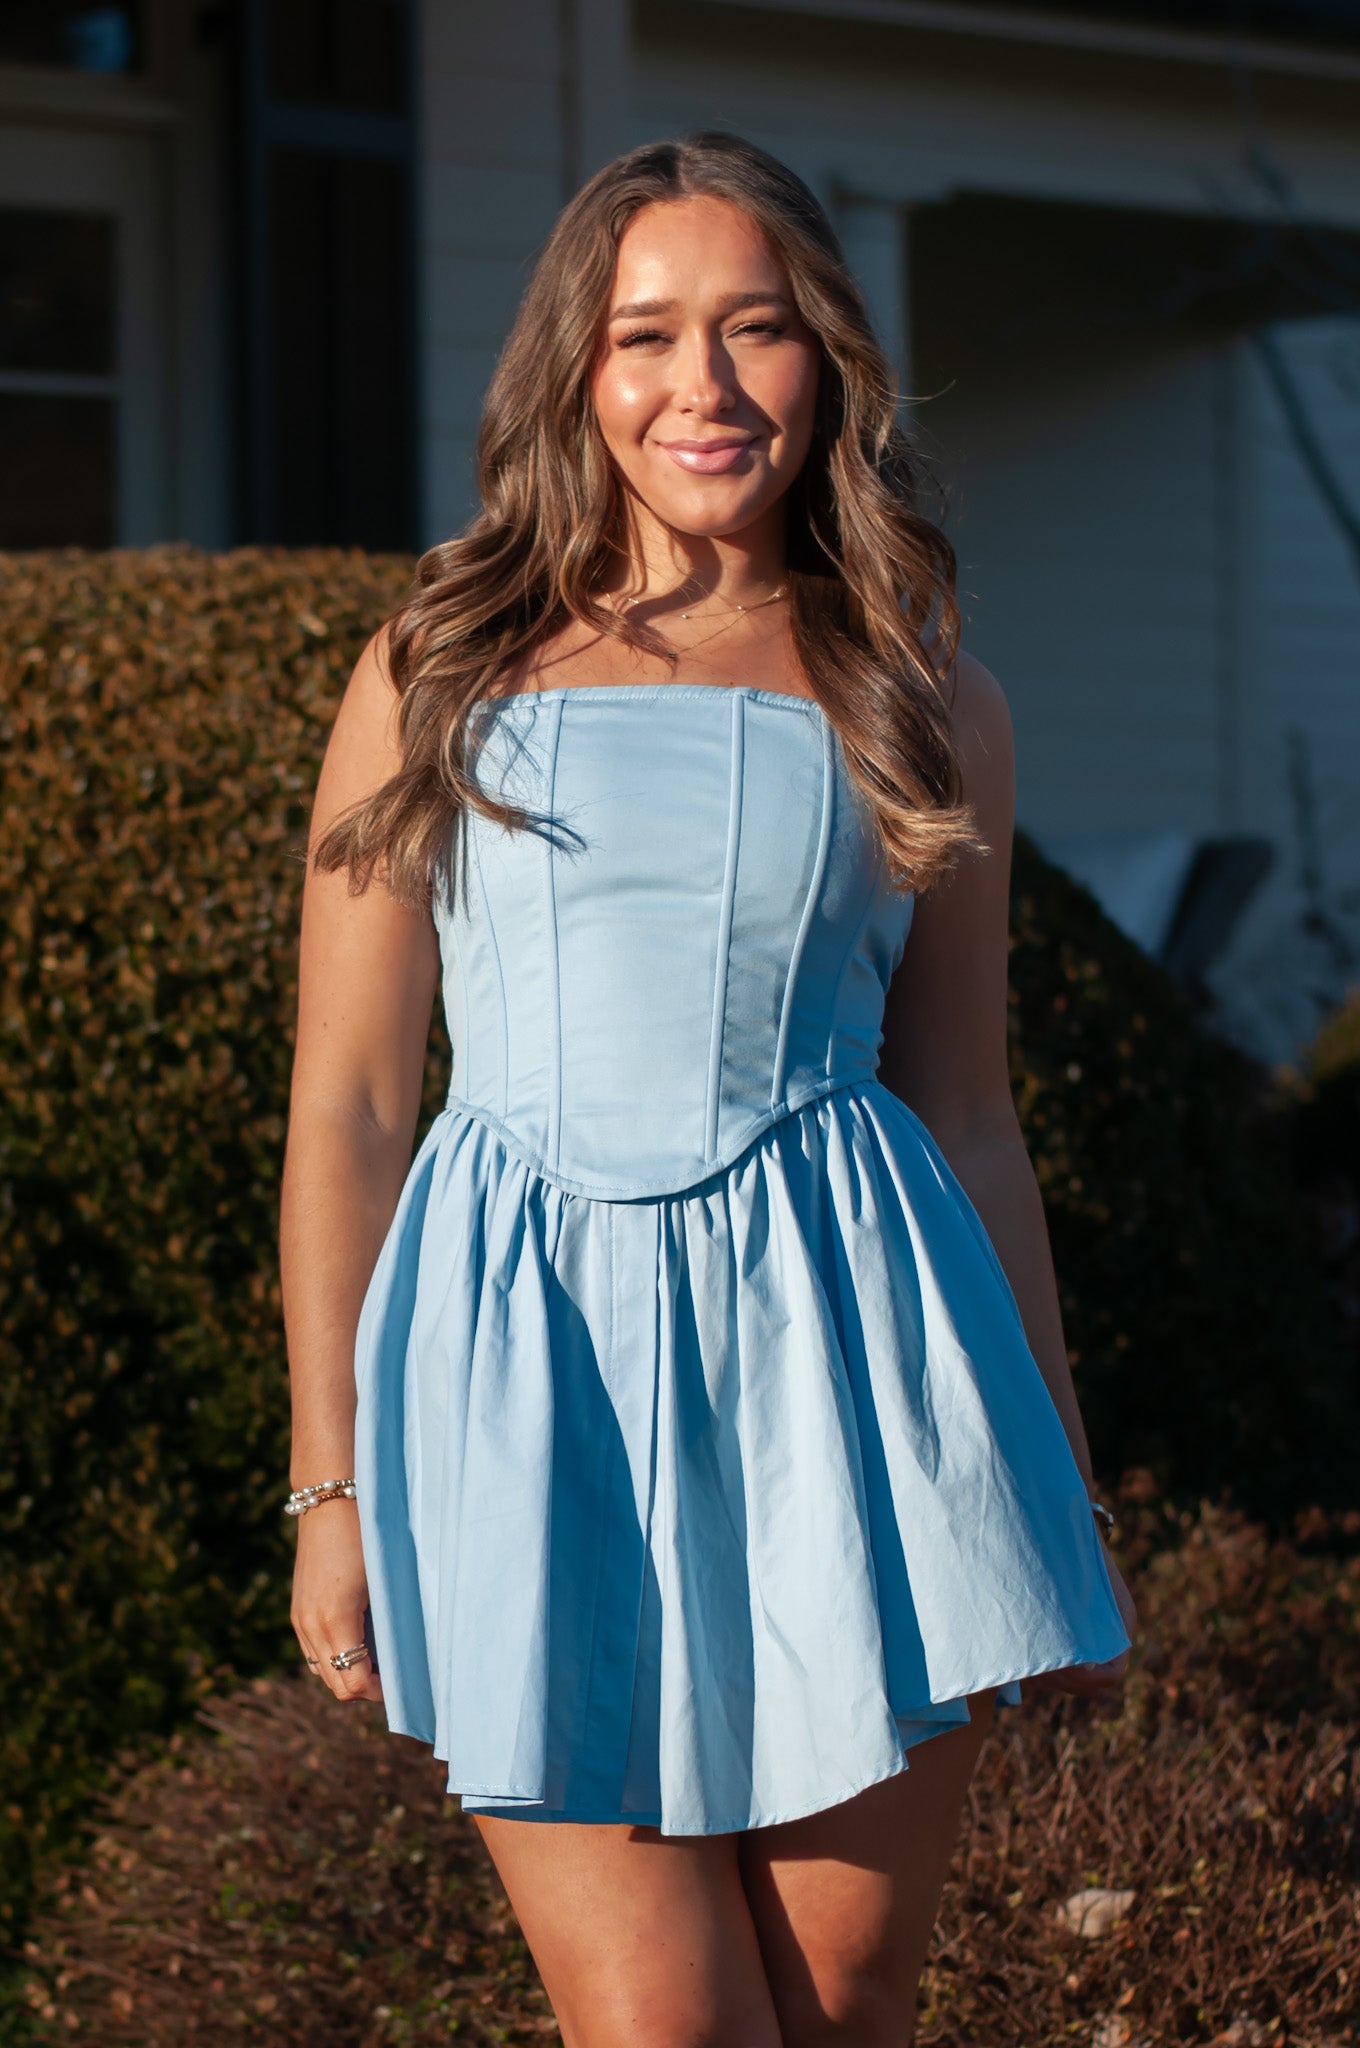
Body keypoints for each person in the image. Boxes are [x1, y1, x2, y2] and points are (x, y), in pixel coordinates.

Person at [280, 131, 1137, 2048]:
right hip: (531, 1387)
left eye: (756, 329)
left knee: (838, 2012)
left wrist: (1054, 1478)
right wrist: (328, 1479)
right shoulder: (436, 666)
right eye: (647, 333)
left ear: (829, 360)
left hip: (856, 1381)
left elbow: (970, 1117)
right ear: (576, 373)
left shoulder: (925, 691)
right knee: (662, 2025)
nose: (703, 384)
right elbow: (348, 1102)